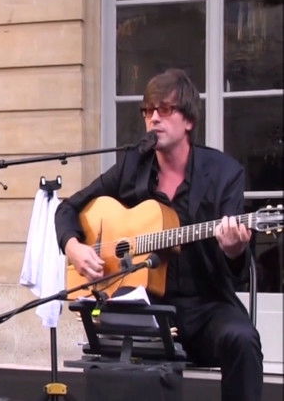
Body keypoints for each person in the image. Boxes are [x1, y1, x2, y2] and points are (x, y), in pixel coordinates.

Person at [54, 68, 263, 400]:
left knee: (242, 339)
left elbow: (237, 272)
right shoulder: (133, 165)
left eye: (164, 110)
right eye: (148, 111)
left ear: (189, 121)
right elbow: (68, 208)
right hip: (145, 306)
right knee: (114, 354)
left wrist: (234, 250)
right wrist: (74, 247)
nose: (154, 119)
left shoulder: (224, 174)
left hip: (205, 306)